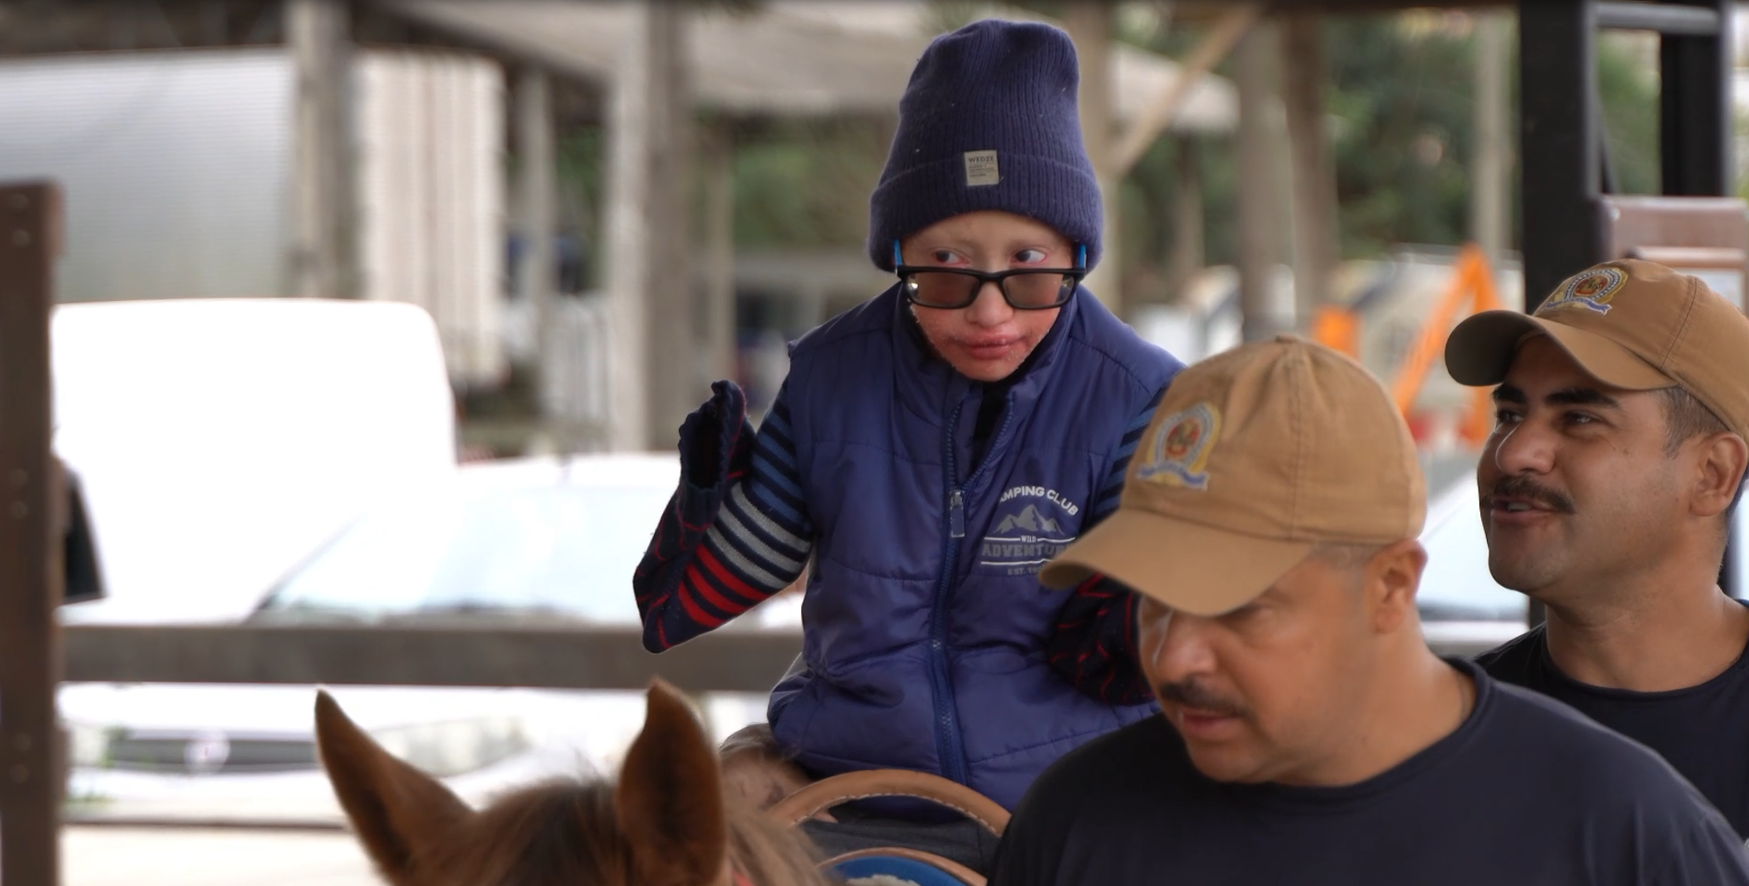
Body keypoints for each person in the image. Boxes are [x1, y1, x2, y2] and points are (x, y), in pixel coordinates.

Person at [631, 18, 1183, 871]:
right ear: (895, 254)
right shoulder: (830, 376)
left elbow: (1139, 648)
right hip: (834, 793)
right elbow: (706, 590)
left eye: (1029, 267)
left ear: (1078, 253)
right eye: (944, 268)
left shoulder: (1138, 393)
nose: (988, 312)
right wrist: (710, 488)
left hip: (1064, 807)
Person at [987, 335, 1749, 886]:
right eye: (1153, 599)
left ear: (1390, 585)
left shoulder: (1621, 829)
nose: (1174, 658)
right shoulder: (1077, 819)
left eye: (1237, 607)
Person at [1444, 259, 1749, 837]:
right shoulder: (1442, 737)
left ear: (1712, 473)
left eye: (1579, 418)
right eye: (1509, 414)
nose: (1513, 454)